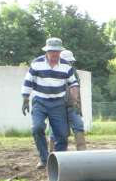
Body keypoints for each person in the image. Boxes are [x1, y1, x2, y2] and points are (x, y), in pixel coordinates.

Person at [21, 37, 80, 169]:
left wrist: (75, 100)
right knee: (37, 128)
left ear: (60, 52)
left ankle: (58, 161)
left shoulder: (66, 66)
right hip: (40, 101)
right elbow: (28, 81)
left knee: (62, 135)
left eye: (57, 51)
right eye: (52, 51)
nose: (54, 54)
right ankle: (43, 158)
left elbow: (74, 84)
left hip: (58, 103)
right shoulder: (36, 63)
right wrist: (25, 98)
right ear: (47, 51)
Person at [47, 49, 87, 151]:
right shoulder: (52, 72)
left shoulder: (74, 74)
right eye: (68, 62)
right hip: (57, 107)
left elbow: (77, 92)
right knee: (54, 131)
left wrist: (78, 107)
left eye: (71, 62)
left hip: (72, 106)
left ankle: (83, 155)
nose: (70, 64)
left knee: (78, 125)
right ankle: (51, 157)